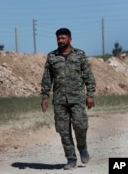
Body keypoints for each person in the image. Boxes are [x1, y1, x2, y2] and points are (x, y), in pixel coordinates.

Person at [40, 28, 96, 170]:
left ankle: (82, 148)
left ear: (70, 39)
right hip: (59, 101)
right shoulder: (52, 57)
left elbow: (88, 76)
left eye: (63, 38)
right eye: (58, 38)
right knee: (63, 131)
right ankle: (71, 159)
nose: (60, 41)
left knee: (81, 126)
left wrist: (90, 95)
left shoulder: (79, 55)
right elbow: (47, 78)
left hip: (77, 99)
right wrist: (45, 97)